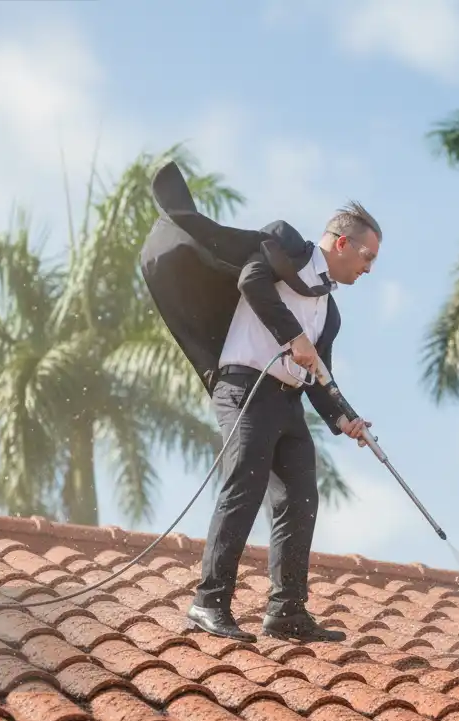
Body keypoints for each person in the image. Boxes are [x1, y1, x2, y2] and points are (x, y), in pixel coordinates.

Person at [136, 161, 380, 642]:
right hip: (244, 388)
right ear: (342, 243)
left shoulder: (328, 313)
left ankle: (287, 613)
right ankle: (209, 603)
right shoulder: (286, 247)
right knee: (244, 482)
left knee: (300, 496)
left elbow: (318, 377)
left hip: (288, 403)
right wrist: (292, 337)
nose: (369, 268)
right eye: (367, 256)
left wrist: (345, 419)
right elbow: (251, 280)